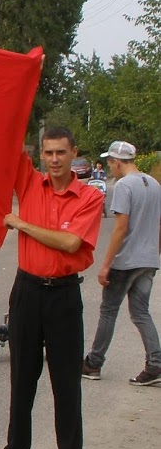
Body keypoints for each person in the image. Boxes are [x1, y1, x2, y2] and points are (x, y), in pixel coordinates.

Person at [0, 128, 104, 449]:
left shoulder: (89, 198)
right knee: (22, 377)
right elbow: (5, 136)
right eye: (48, 153)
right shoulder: (30, 182)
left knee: (65, 381)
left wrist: (21, 223)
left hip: (63, 296)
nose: (54, 160)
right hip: (27, 291)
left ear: (74, 154)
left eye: (61, 153)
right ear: (41, 156)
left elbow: (70, 243)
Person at [81, 141, 161, 386]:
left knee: (108, 311)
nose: (109, 167)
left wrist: (106, 264)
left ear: (117, 161)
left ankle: (94, 363)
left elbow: (121, 228)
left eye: (109, 162)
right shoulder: (154, 184)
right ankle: (156, 364)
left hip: (126, 260)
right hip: (148, 259)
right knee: (140, 312)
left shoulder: (123, 185)